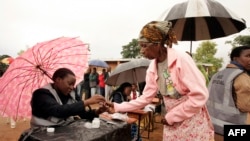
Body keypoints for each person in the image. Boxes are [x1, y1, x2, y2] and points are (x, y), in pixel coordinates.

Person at [106, 21, 214, 141]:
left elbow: (199, 96)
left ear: (157, 44)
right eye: (140, 46)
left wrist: (172, 116)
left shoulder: (181, 59)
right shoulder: (153, 68)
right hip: (171, 119)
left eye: (144, 46)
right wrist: (117, 106)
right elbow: (145, 98)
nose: (141, 51)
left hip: (191, 120)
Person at [30, 68, 107, 128]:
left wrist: (97, 111)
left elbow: (82, 113)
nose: (72, 87)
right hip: (42, 134)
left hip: (63, 132)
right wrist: (87, 102)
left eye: (73, 85)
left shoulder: (71, 93)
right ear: (58, 80)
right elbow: (58, 111)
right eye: (70, 84)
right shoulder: (41, 94)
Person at [206, 46, 250, 141]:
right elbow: (246, 106)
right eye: (248, 56)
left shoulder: (216, 75)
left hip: (212, 126)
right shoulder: (242, 77)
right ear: (235, 58)